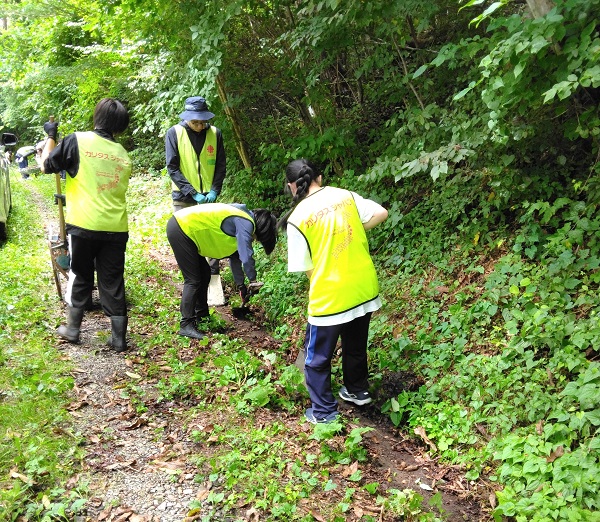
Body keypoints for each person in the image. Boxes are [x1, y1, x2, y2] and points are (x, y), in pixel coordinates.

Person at [279, 159, 388, 424]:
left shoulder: (297, 219)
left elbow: (306, 268)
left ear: (292, 186)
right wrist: (348, 235)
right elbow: (381, 213)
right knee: (355, 345)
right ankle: (357, 390)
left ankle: (324, 413)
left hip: (331, 296)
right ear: (320, 176)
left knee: (316, 358)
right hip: (363, 286)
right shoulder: (344, 195)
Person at [40, 98, 133, 352]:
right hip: (115, 226)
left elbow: (47, 165)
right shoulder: (123, 154)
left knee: (80, 274)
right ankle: (119, 339)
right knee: (113, 280)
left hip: (84, 224)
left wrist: (51, 137)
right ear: (120, 125)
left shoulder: (77, 140)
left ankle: (72, 329)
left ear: (97, 117)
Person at [166, 203, 277, 339]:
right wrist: (253, 280)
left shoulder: (242, 219)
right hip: (182, 228)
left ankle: (202, 316)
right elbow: (246, 256)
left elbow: (236, 259)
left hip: (185, 228)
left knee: (205, 274)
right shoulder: (246, 223)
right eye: (256, 239)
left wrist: (241, 286)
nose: (254, 240)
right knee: (193, 280)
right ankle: (186, 325)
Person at [165, 96, 226, 277]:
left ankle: (213, 274)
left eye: (203, 122)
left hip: (208, 197)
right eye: (195, 122)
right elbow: (172, 167)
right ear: (186, 119)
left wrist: (215, 189)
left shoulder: (215, 133)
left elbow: (220, 165)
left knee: (211, 235)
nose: (200, 126)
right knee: (186, 237)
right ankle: (191, 275)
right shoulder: (174, 133)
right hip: (183, 198)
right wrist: (191, 192)